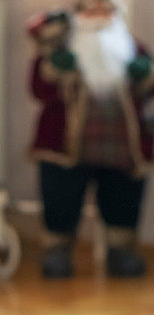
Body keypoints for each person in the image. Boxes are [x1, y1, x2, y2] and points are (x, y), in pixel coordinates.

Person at [27, 0, 154, 279]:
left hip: (122, 146)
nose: (97, 17)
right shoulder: (59, 49)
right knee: (61, 197)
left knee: (123, 197)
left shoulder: (134, 49)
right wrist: (56, 68)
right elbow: (38, 89)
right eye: (90, 10)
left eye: (104, 10)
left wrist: (146, 76)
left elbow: (148, 94)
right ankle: (57, 249)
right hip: (67, 145)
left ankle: (121, 250)